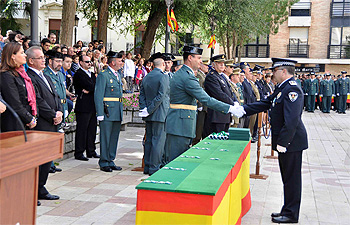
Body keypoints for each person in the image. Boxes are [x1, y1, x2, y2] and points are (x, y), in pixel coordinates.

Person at [236, 58, 308, 224]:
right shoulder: (282, 88)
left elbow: (292, 120)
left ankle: (291, 214)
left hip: (292, 142)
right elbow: (266, 103)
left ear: (283, 71)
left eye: (274, 71)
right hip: (287, 141)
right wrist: (242, 109)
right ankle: (287, 209)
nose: (272, 74)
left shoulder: (292, 90)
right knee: (287, 177)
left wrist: (283, 143)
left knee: (292, 178)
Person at [164, 46, 244, 163]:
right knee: (177, 162)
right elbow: (206, 99)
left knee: (178, 161)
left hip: (181, 123)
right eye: (199, 58)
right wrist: (229, 108)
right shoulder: (187, 77)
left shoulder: (185, 74)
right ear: (190, 58)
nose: (201, 61)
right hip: (181, 125)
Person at [26, 46, 62, 204]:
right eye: (39, 58)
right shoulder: (30, 76)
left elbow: (55, 95)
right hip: (43, 122)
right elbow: (38, 100)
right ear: (31, 61)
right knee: (39, 159)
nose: (43, 60)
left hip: (53, 120)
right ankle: (33, 190)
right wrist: (52, 114)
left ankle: (41, 187)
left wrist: (59, 111)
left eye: (43, 57)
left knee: (47, 158)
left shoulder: (45, 75)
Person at [139, 55, 169, 175]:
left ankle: (147, 166)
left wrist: (144, 108)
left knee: (149, 140)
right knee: (158, 141)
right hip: (159, 113)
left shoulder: (147, 76)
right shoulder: (163, 77)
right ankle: (154, 167)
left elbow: (141, 94)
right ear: (162, 65)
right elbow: (161, 96)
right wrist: (150, 109)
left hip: (149, 114)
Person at [94, 51, 124, 172]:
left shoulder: (117, 74)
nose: (121, 63)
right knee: (106, 136)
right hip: (107, 111)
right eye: (119, 60)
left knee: (114, 136)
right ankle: (104, 161)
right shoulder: (104, 75)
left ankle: (110, 159)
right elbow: (98, 95)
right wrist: (100, 113)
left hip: (116, 110)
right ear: (113, 62)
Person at [203, 55, 238, 138]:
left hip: (224, 114)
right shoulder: (211, 76)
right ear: (213, 65)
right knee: (217, 141)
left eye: (223, 63)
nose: (222, 65)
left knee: (224, 140)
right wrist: (232, 103)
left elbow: (230, 91)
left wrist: (235, 101)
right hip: (217, 115)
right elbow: (219, 94)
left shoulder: (221, 76)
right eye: (219, 63)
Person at [73, 55, 99, 161]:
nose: (89, 63)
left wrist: (91, 88)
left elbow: (97, 86)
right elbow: (90, 86)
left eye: (90, 61)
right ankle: (79, 152)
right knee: (82, 130)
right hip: (83, 105)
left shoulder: (92, 74)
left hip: (92, 105)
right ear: (81, 63)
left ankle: (91, 151)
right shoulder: (78, 74)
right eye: (87, 61)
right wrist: (91, 87)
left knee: (92, 129)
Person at [43, 51, 68, 123]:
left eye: (61, 61)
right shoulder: (45, 74)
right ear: (50, 61)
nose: (60, 64)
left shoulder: (60, 74)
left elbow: (63, 91)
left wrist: (65, 108)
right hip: (53, 108)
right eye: (57, 61)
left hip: (62, 107)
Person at [192, 60, 209, 145]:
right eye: (205, 65)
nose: (207, 67)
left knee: (201, 128)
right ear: (201, 66)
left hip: (204, 105)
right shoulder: (198, 75)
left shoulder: (204, 75)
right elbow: (199, 90)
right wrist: (200, 105)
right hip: (200, 105)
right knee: (198, 130)